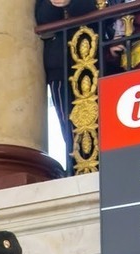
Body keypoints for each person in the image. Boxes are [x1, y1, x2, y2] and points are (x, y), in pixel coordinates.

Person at [36, 0, 96, 174]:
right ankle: (77, 166)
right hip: (61, 63)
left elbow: (97, 7)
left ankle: (98, 165)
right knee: (68, 121)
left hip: (98, 59)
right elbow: (43, 17)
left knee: (101, 119)